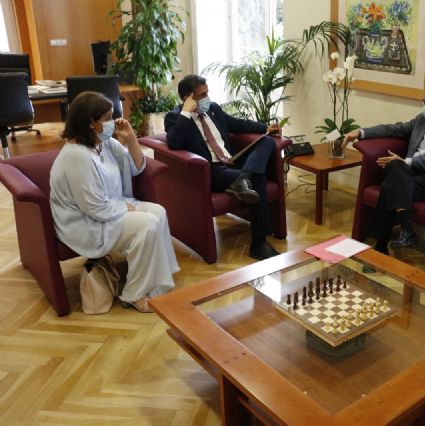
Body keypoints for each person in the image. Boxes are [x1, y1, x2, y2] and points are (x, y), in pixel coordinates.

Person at [50, 91, 179, 313]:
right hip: (85, 222)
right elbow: (94, 207)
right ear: (91, 122)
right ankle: (135, 293)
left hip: (110, 207)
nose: (113, 122)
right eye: (108, 118)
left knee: (158, 212)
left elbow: (136, 167)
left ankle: (155, 281)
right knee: (147, 224)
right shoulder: (76, 157)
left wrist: (131, 138)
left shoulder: (103, 142)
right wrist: (127, 208)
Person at [342, 81, 425, 254]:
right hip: (410, 174)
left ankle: (380, 247)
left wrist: (407, 162)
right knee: (395, 172)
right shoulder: (422, 119)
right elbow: (395, 129)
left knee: (390, 184)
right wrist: (361, 132)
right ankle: (405, 228)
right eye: (423, 102)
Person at [165, 75, 281, 260]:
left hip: (232, 160)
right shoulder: (175, 117)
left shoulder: (213, 109)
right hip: (211, 170)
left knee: (266, 142)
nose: (207, 98)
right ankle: (259, 243)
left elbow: (238, 124)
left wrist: (265, 128)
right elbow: (174, 143)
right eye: (203, 95)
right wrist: (186, 113)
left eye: (207, 93)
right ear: (188, 98)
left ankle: (243, 178)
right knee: (258, 177)